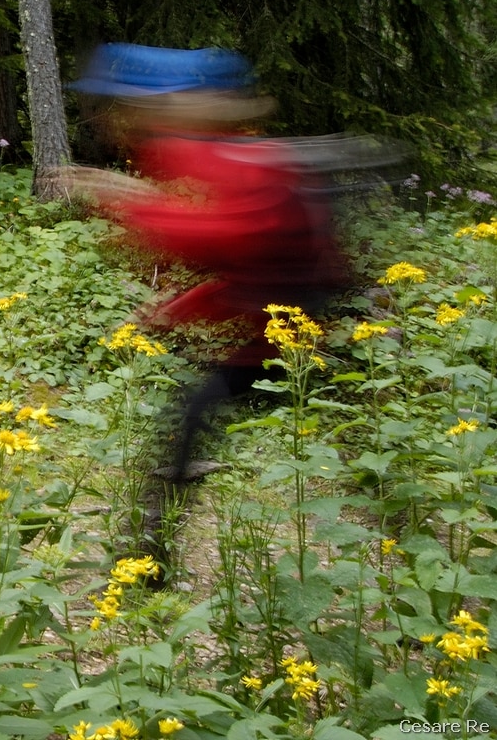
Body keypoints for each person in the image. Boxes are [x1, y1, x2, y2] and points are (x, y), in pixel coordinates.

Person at [65, 43, 350, 572]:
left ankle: (151, 556)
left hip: (316, 331)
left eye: (149, 106)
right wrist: (183, 305)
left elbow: (242, 239)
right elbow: (247, 264)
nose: (134, 120)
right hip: (277, 327)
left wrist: (136, 205)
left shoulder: (249, 160)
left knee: (358, 436)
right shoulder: (212, 152)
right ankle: (151, 558)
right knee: (190, 422)